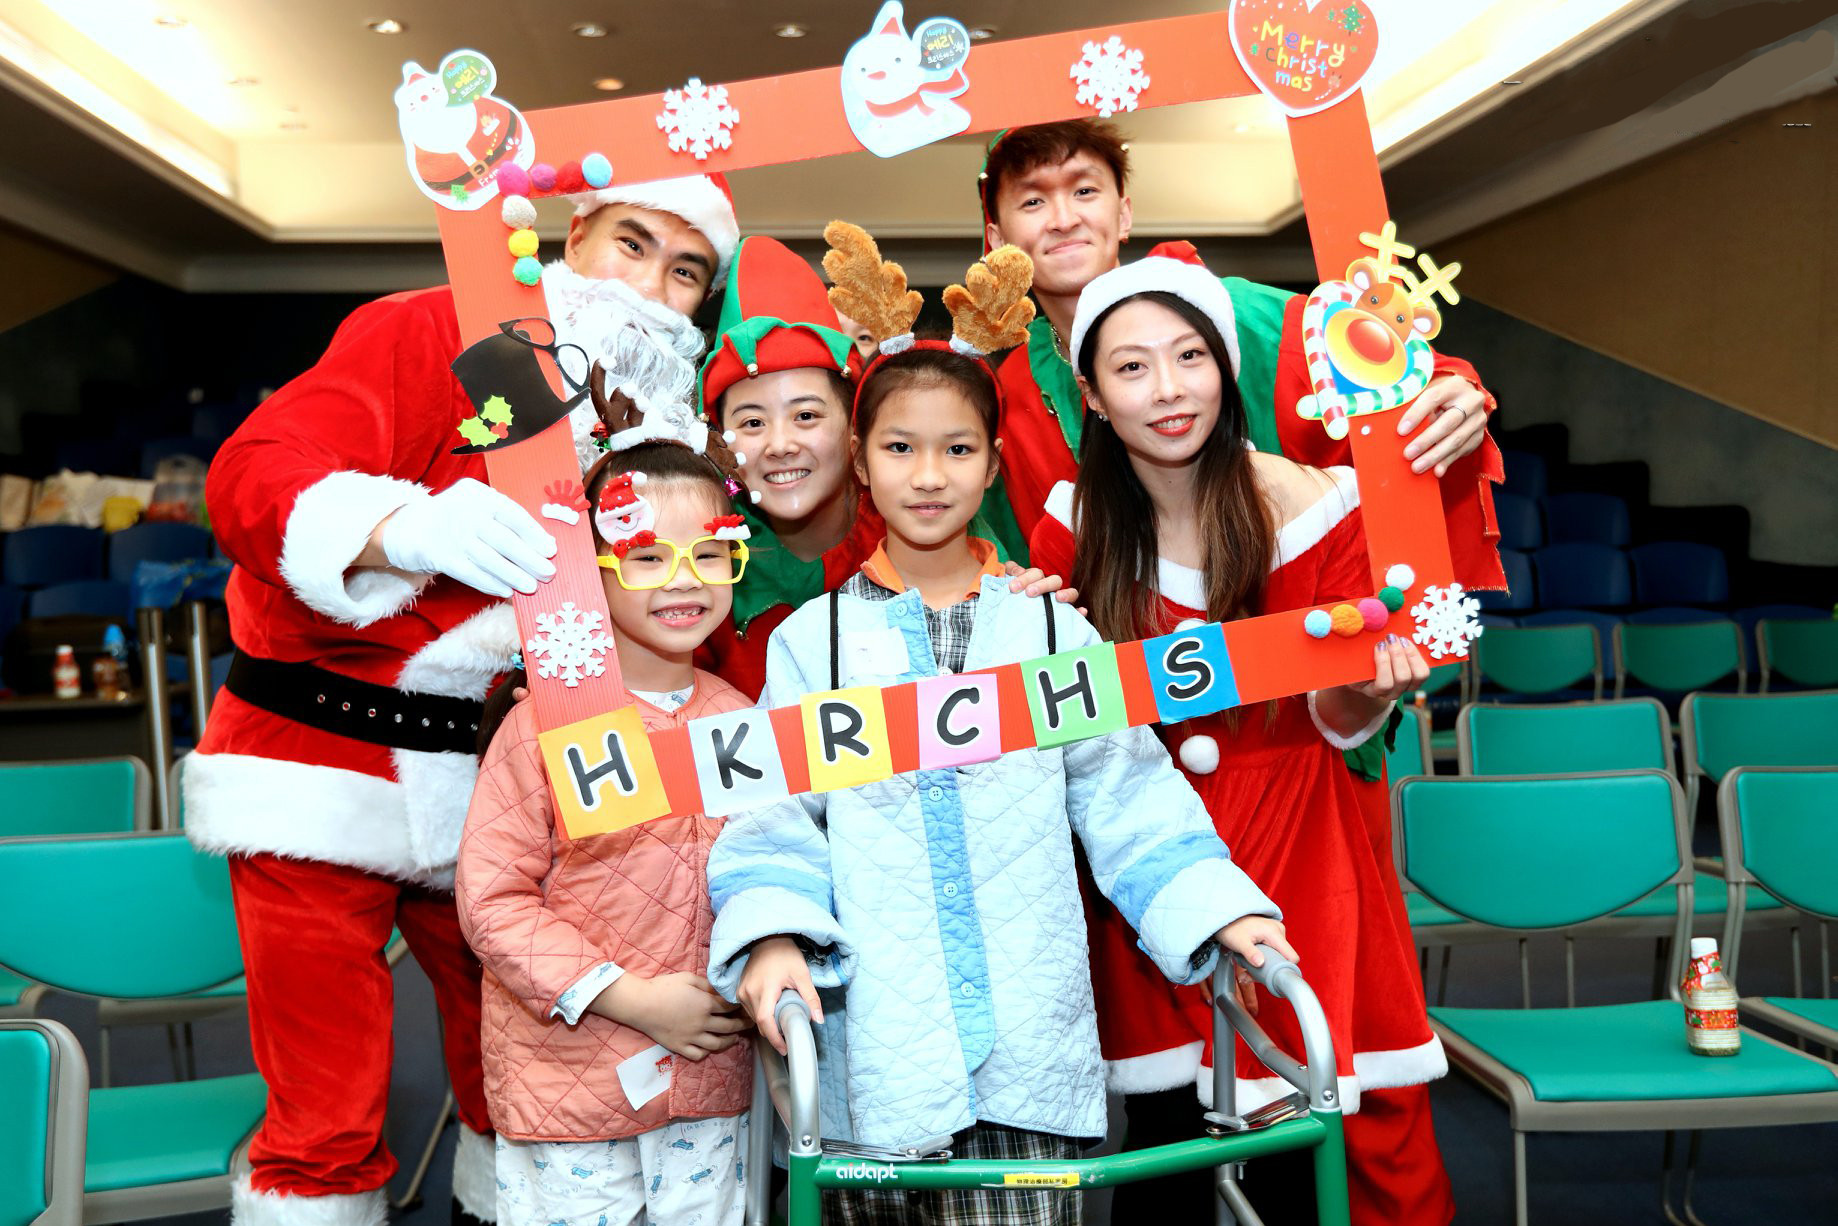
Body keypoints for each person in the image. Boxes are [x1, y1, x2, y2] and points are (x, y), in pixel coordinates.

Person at [707, 226, 1294, 1226]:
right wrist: (768, 935)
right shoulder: (811, 641)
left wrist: (1213, 906)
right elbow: (772, 812)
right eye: (898, 448)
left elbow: (1128, 794)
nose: (926, 474)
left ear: (989, 468)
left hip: (1032, 1042)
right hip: (878, 1050)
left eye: (956, 449)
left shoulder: (1049, 625)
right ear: (860, 459)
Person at [183, 172, 740, 1225]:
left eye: (685, 272)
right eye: (632, 244)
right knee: (324, 1100)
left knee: (518, 1067)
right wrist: (400, 529)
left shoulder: (665, 425)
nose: (652, 288)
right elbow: (252, 474)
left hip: (506, 783)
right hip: (316, 764)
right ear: (571, 237)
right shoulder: (429, 328)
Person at [1028, 249, 1452, 1225]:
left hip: (1307, 856)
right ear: (1090, 392)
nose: (1167, 389)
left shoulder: (1320, 506)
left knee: (1307, 1154)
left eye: (1189, 356)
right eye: (1131, 366)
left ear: (1226, 368)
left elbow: (1339, 721)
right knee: (1165, 1162)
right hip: (1144, 891)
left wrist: (1367, 688)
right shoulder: (1069, 530)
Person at [977, 119, 1502, 590]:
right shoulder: (1010, 393)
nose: (1064, 218)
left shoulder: (1244, 313)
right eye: (1033, 201)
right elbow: (1003, 561)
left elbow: (1386, 372)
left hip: (1312, 645)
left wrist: (1450, 395)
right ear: (996, 239)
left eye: (1085, 190)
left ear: (1124, 211)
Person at [457, 407, 756, 1226]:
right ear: (591, 572)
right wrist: (630, 998)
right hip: (568, 1081)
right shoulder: (543, 724)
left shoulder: (740, 716)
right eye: (647, 557)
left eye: (709, 555)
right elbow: (493, 900)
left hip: (707, 1083)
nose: (684, 580)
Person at [695, 234, 1042, 699]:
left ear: (854, 434)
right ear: (719, 440)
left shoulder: (921, 520)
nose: (780, 445)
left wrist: (1037, 615)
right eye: (752, 422)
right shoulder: (700, 560)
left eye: (806, 416)